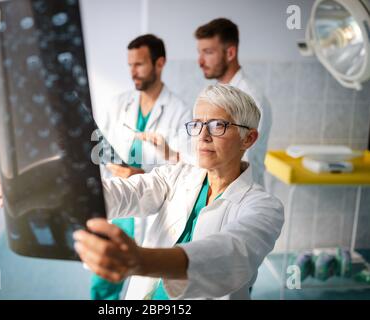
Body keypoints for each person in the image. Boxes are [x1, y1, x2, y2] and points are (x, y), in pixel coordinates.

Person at [71, 83, 284, 300]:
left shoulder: (265, 208)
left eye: (218, 125)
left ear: (248, 138)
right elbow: (128, 191)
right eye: (197, 125)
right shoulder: (177, 176)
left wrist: (140, 260)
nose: (203, 136)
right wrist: (73, 194)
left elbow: (231, 255)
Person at [92, 34, 191, 299]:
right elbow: (97, 147)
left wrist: (142, 175)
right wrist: (110, 164)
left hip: (152, 210)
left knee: (145, 286)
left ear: (160, 63)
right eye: (129, 65)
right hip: (120, 205)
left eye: (139, 65)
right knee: (103, 283)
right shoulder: (118, 104)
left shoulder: (181, 111)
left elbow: (185, 168)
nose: (132, 72)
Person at [194, 18, 272, 187]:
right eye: (199, 53)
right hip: (216, 187)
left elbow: (240, 160)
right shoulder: (214, 93)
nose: (200, 61)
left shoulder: (250, 99)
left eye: (208, 52)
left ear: (230, 53)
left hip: (240, 191)